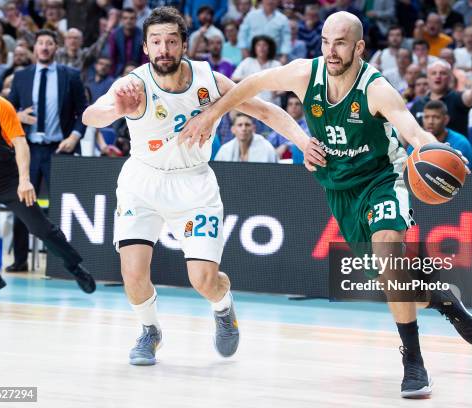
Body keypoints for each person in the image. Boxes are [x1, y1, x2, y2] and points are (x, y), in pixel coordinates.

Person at [180, 11, 472, 399]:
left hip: (381, 179)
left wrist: (438, 151)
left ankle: (414, 362)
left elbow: (412, 130)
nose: (331, 50)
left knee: (389, 253)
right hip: (339, 188)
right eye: (325, 41)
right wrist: (213, 114)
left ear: (359, 46)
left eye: (340, 42)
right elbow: (253, 83)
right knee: (392, 279)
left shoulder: (376, 88)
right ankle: (440, 297)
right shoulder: (307, 74)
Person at [82, 7, 321, 366]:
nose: (164, 48)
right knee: (132, 273)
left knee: (204, 280)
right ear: (146, 48)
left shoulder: (209, 80)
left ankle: (223, 308)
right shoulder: (133, 84)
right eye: (156, 42)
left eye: (171, 41)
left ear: (183, 45)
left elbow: (266, 112)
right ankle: (150, 331)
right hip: (142, 181)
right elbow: (91, 115)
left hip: (193, 183)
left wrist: (304, 144)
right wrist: (115, 108)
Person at [0, 61, 96, 298]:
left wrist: (25, 180)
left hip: (9, 180)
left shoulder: (0, 106)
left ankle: (75, 268)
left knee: (42, 229)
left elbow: (20, 143)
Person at [7, 29, 88, 273]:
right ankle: (20, 260)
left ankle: (66, 263)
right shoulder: (21, 76)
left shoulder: (70, 75)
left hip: (59, 150)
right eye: (40, 43)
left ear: (56, 48)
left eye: (49, 43)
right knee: (22, 204)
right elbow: (6, 111)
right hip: (28, 150)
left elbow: (82, 112)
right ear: (34, 48)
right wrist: (18, 116)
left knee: (64, 206)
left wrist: (74, 136)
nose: (44, 47)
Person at [408, 100, 472, 170]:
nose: (430, 122)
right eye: (426, 117)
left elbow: (467, 175)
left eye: (436, 117)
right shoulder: (416, 141)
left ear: (446, 119)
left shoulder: (461, 143)